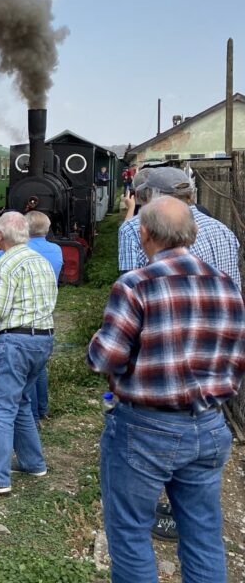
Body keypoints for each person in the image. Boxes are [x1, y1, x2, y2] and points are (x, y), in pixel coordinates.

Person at [87, 197, 245, 583]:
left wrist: (101, 342)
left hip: (144, 427)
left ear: (145, 234)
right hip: (209, 424)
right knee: (204, 535)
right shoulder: (226, 285)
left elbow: (105, 358)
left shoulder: (136, 284)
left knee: (129, 533)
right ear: (191, 233)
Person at [115, 166, 241, 542]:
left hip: (154, 388)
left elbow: (128, 300)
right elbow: (234, 305)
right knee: (203, 533)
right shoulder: (225, 232)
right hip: (210, 391)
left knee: (130, 527)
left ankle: (155, 511)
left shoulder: (135, 230)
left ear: (153, 197)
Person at [0, 212, 57, 495]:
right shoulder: (40, 262)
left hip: (14, 343)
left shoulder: (4, 265)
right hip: (43, 340)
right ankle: (33, 462)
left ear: (0, 237)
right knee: (19, 403)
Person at [0, 211, 62, 421]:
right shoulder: (52, 253)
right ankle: (41, 410)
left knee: (0, 409)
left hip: (14, 335)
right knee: (25, 398)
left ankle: (0, 454)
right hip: (43, 328)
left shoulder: (8, 261)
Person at [118, 167, 240, 288]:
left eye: (147, 193)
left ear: (153, 195)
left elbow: (130, 289)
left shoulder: (134, 228)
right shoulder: (223, 230)